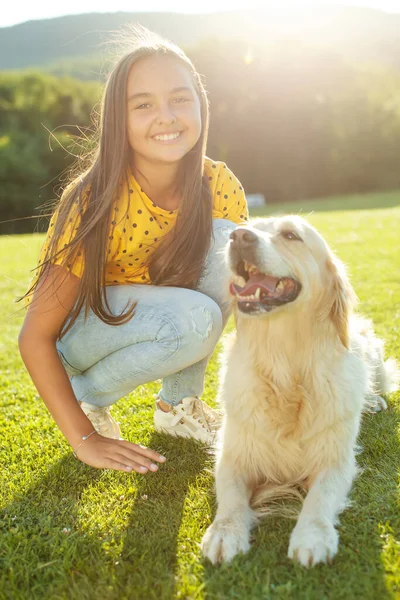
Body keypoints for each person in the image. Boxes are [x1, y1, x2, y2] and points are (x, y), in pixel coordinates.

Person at [18, 26, 248, 475]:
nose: (166, 116)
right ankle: (87, 398)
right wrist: (84, 440)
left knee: (229, 244)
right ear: (118, 120)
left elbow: (241, 295)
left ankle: (177, 407)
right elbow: (35, 337)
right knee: (195, 318)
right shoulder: (94, 201)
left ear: (201, 105)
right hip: (83, 338)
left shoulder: (218, 184)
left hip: (165, 313)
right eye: (143, 104)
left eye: (180, 98)